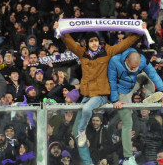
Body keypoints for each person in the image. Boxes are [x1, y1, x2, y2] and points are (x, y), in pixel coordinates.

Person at [54, 21, 141, 164]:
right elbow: (70, 44)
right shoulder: (82, 54)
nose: (94, 44)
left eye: (95, 41)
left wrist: (138, 33)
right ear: (87, 43)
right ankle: (88, 162)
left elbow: (123, 44)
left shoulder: (107, 52)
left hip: (101, 95)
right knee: (75, 130)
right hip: (87, 95)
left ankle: (82, 132)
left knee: (86, 113)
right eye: (91, 41)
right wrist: (61, 31)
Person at [108, 48, 163, 164]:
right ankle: (128, 158)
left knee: (146, 77)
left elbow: (154, 75)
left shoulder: (143, 60)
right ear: (126, 60)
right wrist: (115, 100)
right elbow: (111, 81)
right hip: (122, 91)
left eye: (136, 67)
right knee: (127, 122)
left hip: (134, 83)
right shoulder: (115, 61)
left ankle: (148, 97)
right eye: (132, 68)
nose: (134, 70)